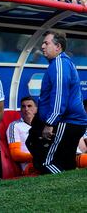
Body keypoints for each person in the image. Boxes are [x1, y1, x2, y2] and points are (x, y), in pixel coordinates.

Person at [34, 31, 87, 174]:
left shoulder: (59, 64)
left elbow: (59, 96)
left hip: (66, 121)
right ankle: (70, 190)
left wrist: (50, 123)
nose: (42, 46)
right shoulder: (62, 63)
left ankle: (66, 186)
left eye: (47, 43)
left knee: (46, 162)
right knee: (67, 163)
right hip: (72, 122)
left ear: (58, 47)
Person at [6, 96, 38, 175]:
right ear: (20, 110)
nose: (26, 109)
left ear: (36, 109)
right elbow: (15, 155)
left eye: (29, 106)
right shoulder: (15, 126)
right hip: (29, 166)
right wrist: (38, 157)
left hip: (46, 160)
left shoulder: (44, 125)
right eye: (23, 106)